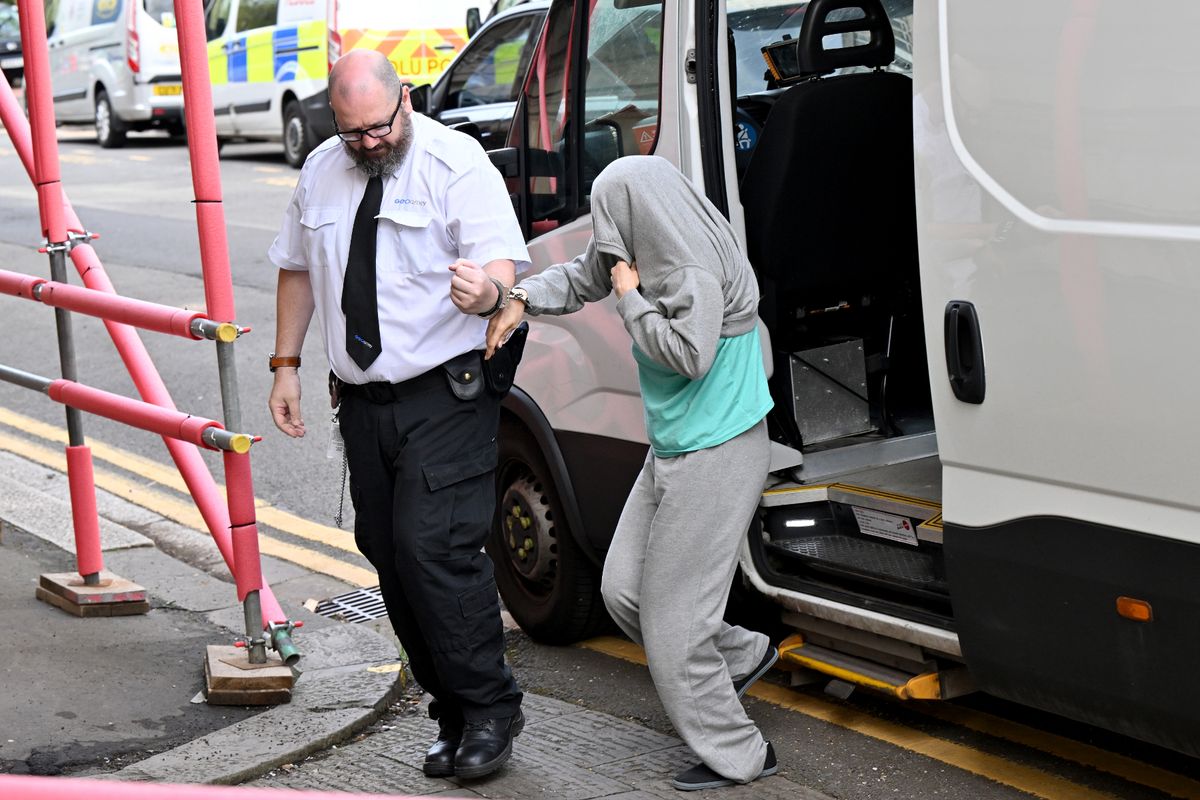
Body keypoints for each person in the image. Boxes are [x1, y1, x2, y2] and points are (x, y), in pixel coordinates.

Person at [266, 49, 528, 780]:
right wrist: (285, 364)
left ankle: (490, 708)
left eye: (378, 128)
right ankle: (449, 708)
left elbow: (501, 269)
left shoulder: (455, 163)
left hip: (445, 392)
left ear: (404, 99)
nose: (368, 144)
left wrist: (486, 293)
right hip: (363, 402)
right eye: (353, 133)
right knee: (388, 551)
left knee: (433, 549)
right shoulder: (322, 168)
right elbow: (296, 268)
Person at [484, 155, 779, 792]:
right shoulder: (651, 239)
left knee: (674, 629)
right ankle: (744, 656)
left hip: (718, 453)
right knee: (624, 592)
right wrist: (521, 299)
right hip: (675, 448)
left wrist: (630, 301)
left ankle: (741, 754)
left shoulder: (691, 268)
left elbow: (690, 356)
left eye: (609, 220)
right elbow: (587, 273)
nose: (605, 238)